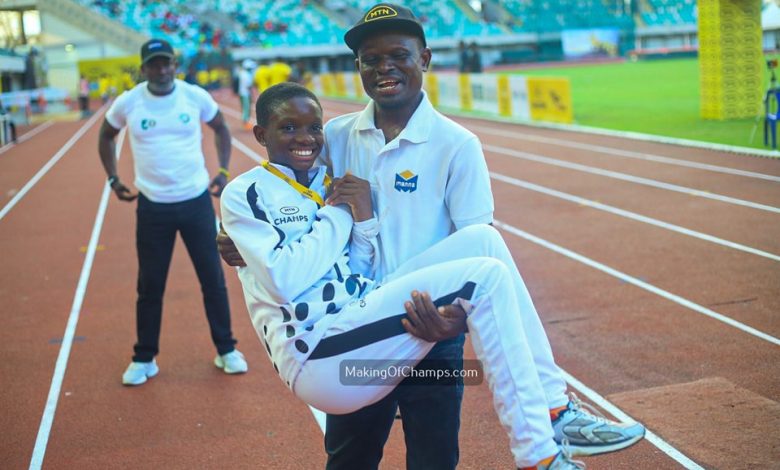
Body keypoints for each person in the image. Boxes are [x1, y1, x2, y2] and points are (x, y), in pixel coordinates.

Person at [217, 4, 644, 468]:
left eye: (398, 55)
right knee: (351, 459)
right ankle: (545, 435)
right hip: (354, 323)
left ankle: (554, 409)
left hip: (431, 327)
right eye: (370, 59)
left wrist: (454, 324)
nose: (385, 68)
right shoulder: (335, 137)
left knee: (436, 456)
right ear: (358, 68)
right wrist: (236, 237)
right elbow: (286, 186)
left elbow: (474, 237)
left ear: (424, 59)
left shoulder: (457, 145)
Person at [98, 38, 248, 386]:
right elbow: (105, 135)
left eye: (166, 63)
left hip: (195, 201)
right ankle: (144, 357)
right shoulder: (130, 102)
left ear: (174, 65)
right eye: (154, 64)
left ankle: (226, 349)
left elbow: (221, 129)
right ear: (144, 68)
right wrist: (112, 178)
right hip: (152, 207)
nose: (161, 69)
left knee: (212, 280)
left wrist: (223, 171)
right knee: (150, 285)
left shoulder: (193, 96)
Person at [238, 59, 256, 130]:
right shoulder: (246, 75)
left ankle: (246, 123)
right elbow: (249, 86)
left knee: (245, 108)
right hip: (245, 94)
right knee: (246, 108)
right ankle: (245, 124)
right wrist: (252, 95)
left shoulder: (242, 73)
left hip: (242, 93)